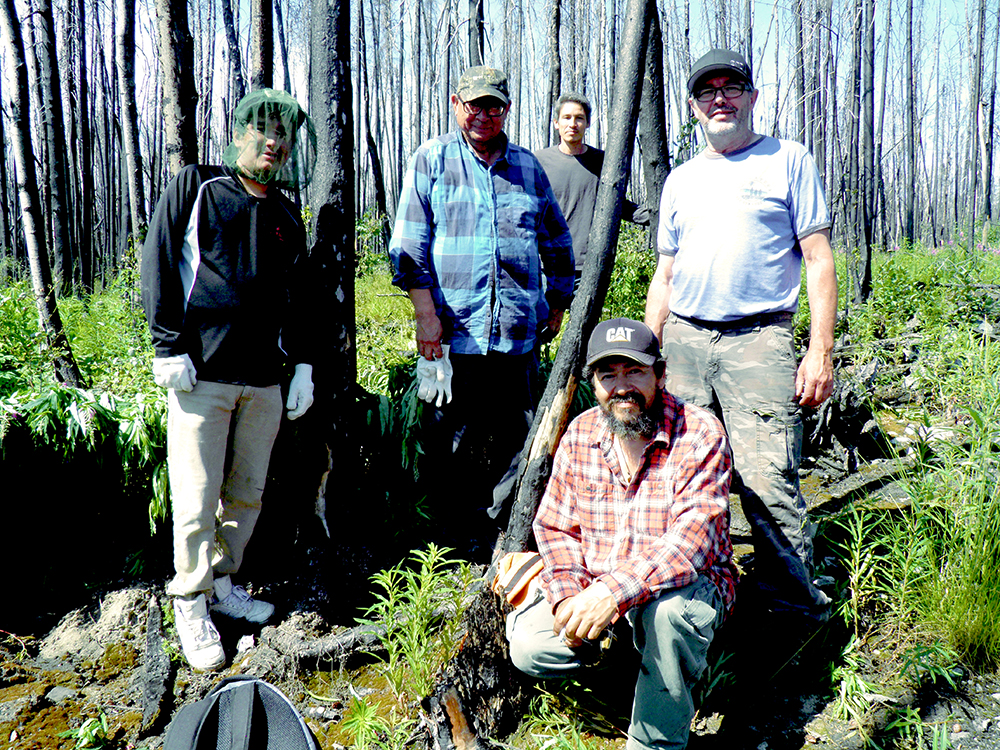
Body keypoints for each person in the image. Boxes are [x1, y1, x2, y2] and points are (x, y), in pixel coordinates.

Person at [644, 49, 837, 621]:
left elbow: (820, 260)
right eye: (708, 91)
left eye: (732, 88)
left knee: (765, 479)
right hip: (683, 342)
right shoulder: (681, 180)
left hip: (760, 342)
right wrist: (648, 351)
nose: (720, 99)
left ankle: (793, 610)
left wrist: (819, 351)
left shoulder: (788, 160)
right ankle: (697, 597)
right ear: (693, 106)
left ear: (753, 98)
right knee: (678, 477)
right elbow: (666, 272)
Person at [141, 88, 318, 672]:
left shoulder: (288, 214)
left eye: (284, 134)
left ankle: (223, 584)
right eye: (263, 130)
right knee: (195, 499)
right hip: (201, 377)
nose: (274, 141)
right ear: (241, 133)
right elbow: (159, 260)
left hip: (265, 381)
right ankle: (189, 602)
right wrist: (168, 347)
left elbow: (300, 299)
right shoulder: (198, 186)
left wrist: (303, 367)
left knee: (246, 493)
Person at [507, 317, 736, 750]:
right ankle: (635, 664)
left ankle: (656, 738)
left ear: (661, 374)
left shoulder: (700, 433)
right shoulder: (581, 434)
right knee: (530, 646)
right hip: (599, 589)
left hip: (683, 587)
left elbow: (690, 543)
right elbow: (556, 527)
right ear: (594, 384)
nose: (621, 386)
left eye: (634, 371)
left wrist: (610, 594)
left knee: (668, 618)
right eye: (607, 374)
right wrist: (570, 597)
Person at [389, 66, 575, 553]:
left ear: (507, 109)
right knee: (450, 438)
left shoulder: (528, 167)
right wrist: (425, 317)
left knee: (521, 436)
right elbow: (409, 245)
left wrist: (558, 301)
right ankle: (449, 540)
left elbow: (555, 237)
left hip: (517, 332)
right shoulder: (431, 159)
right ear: (457, 104)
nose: (484, 115)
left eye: (494, 105)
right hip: (455, 333)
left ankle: (504, 532)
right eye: (475, 105)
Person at [534, 93, 649, 285]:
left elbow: (618, 205)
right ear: (556, 123)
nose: (573, 124)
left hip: (590, 266)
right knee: (547, 316)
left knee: (586, 316)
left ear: (587, 124)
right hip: (548, 264)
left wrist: (653, 215)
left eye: (579, 118)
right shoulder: (539, 161)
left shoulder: (604, 162)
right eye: (567, 118)